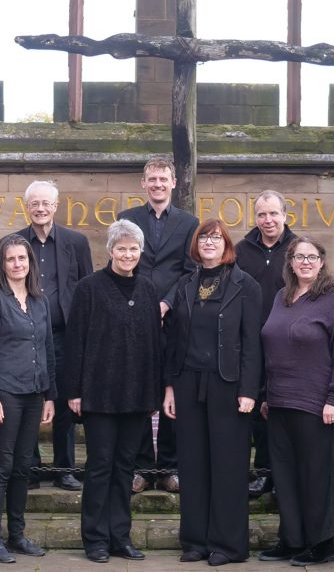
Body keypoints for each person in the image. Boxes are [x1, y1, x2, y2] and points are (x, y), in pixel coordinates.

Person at [63, 220, 163, 564]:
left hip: (136, 397)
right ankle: (95, 539)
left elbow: (155, 344)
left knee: (125, 468)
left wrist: (153, 394)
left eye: (133, 248)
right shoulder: (89, 288)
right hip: (99, 395)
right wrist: (74, 391)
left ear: (141, 251)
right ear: (109, 251)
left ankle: (120, 536)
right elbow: (75, 341)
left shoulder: (149, 290)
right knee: (100, 466)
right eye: (121, 248)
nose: (127, 254)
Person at [162, 220, 262, 566]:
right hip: (188, 383)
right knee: (192, 464)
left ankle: (228, 545)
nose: (209, 242)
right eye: (203, 236)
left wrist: (250, 390)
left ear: (226, 245)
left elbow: (252, 343)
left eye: (216, 237)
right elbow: (173, 340)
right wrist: (170, 387)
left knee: (228, 466)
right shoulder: (184, 284)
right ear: (196, 244)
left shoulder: (245, 285)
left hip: (229, 385)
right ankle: (195, 541)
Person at [258, 236, 334, 567]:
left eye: (311, 257)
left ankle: (322, 544)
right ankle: (293, 539)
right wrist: (266, 395)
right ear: (290, 263)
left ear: (322, 262)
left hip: (318, 405)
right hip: (280, 403)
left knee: (317, 477)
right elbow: (271, 345)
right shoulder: (281, 297)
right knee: (286, 476)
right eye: (299, 257)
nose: (305, 263)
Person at [118, 156, 198, 494]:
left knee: (172, 390)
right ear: (143, 183)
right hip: (133, 317)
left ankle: (168, 467)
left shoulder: (189, 222)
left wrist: (165, 303)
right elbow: (122, 260)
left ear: (174, 182)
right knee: (137, 387)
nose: (158, 184)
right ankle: (139, 467)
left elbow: (189, 271)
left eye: (163, 179)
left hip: (172, 318)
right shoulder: (127, 219)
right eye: (152, 179)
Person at [0, 235, 57, 563]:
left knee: (24, 467)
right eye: (10, 259)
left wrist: (51, 395)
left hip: (34, 393)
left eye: (22, 258)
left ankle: (17, 535)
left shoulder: (40, 300)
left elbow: (48, 349)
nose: (17, 264)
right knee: (2, 466)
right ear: (2, 263)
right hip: (7, 393)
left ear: (30, 262)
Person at [15, 180, 93, 491]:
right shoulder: (15, 241)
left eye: (46, 203)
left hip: (65, 335)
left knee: (63, 402)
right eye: (34, 203)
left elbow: (87, 288)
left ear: (56, 206)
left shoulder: (76, 242)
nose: (40, 208)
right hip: (25, 336)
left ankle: (64, 469)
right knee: (29, 400)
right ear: (27, 207)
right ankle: (30, 467)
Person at [234, 191, 296, 497]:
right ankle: (261, 471)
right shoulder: (241, 251)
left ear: (285, 214)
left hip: (289, 341)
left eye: (273, 213)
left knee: (283, 407)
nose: (267, 220)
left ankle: (282, 473)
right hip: (251, 340)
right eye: (261, 214)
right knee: (256, 404)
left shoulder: (299, 249)